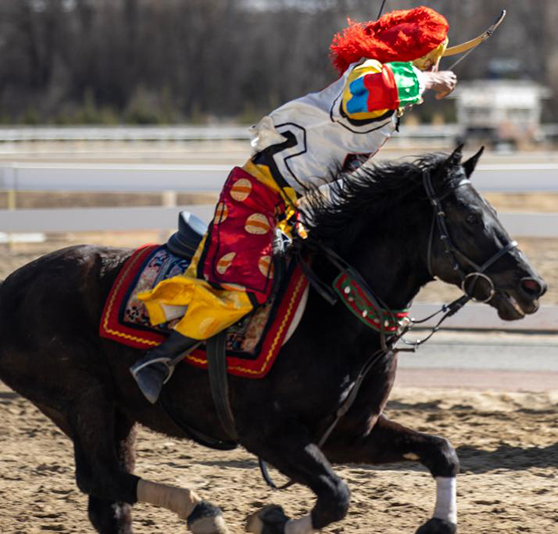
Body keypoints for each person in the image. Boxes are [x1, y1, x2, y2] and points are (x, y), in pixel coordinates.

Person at [130, 6, 460, 403]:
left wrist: (420, 81)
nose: (434, 68)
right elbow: (368, 94)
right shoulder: (365, 77)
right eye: (430, 60)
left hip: (282, 203)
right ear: (415, 59)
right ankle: (160, 359)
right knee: (247, 289)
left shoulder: (377, 84)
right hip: (255, 196)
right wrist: (426, 79)